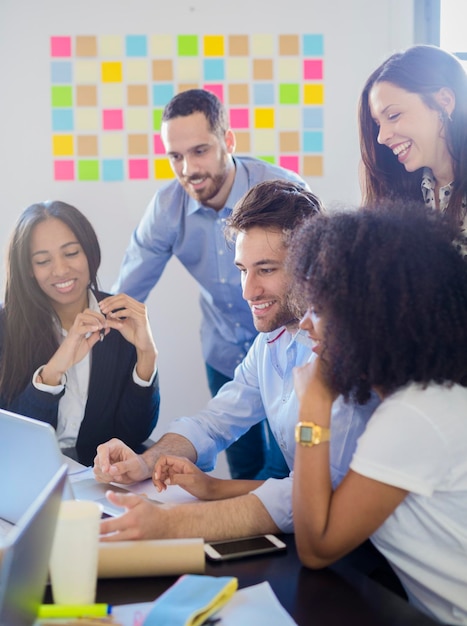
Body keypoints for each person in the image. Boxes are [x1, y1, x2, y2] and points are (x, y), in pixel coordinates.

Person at [93, 180, 379, 545]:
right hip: (315, 535)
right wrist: (146, 461)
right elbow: (213, 424)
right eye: (243, 269)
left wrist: (177, 523)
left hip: (361, 549)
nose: (248, 291)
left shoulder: (345, 350)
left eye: (267, 269)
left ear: (312, 266)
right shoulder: (270, 344)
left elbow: (321, 494)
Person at [113, 88, 309, 481]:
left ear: (228, 142)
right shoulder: (168, 210)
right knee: (244, 466)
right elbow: (124, 297)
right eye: (176, 156)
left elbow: (317, 283)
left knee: (286, 469)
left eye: (199, 151)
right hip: (225, 350)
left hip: (292, 343)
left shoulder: (282, 195)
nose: (188, 168)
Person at [288, 200, 467, 625]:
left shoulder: (414, 416)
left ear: (366, 316)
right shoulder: (423, 398)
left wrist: (313, 403)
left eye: (319, 308)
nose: (304, 324)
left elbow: (317, 547)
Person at [0, 201, 160, 466]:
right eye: (43, 261)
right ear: (28, 269)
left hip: (94, 480)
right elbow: (11, 438)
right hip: (23, 475)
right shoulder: (6, 325)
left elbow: (134, 435)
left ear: (89, 252)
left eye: (71, 253)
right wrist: (52, 373)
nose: (61, 270)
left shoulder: (122, 319)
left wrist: (147, 356)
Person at [358, 44, 467, 230]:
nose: (381, 138)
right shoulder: (393, 191)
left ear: (445, 102)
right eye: (378, 125)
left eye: (393, 116)